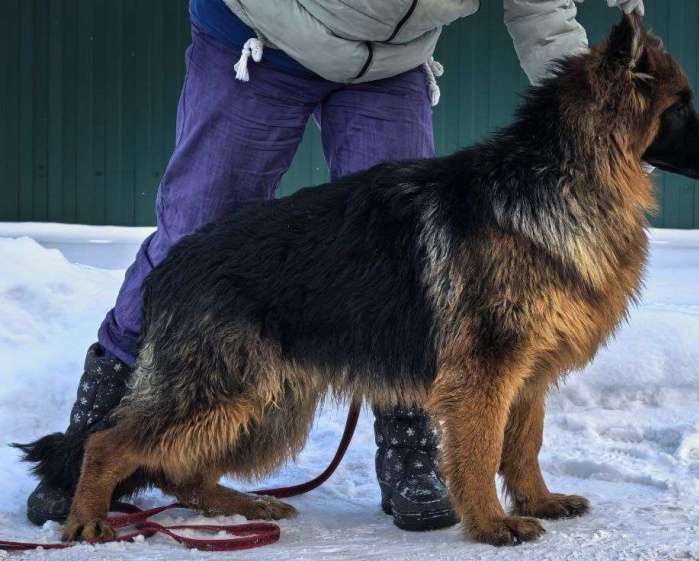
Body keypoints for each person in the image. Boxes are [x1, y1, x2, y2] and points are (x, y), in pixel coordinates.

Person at [26, 0, 643, 532]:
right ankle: (92, 441)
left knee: (404, 259)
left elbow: (542, 11)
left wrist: (586, 101)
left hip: (390, 62)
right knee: (196, 232)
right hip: (263, 35)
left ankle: (411, 456)